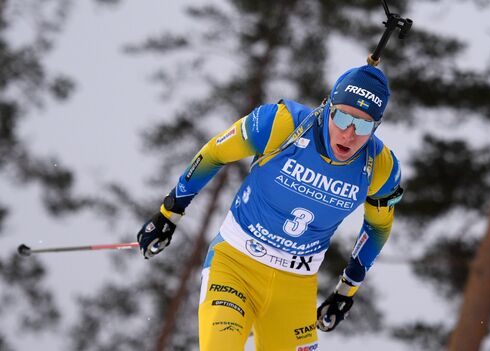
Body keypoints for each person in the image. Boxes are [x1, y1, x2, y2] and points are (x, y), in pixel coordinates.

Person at [137, 64, 403, 351]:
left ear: (376, 127)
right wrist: (170, 212)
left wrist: (346, 291)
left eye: (363, 125)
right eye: (342, 118)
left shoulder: (380, 168)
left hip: (296, 287)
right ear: (328, 107)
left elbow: (378, 227)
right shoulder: (280, 124)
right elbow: (215, 153)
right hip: (235, 266)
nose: (349, 134)